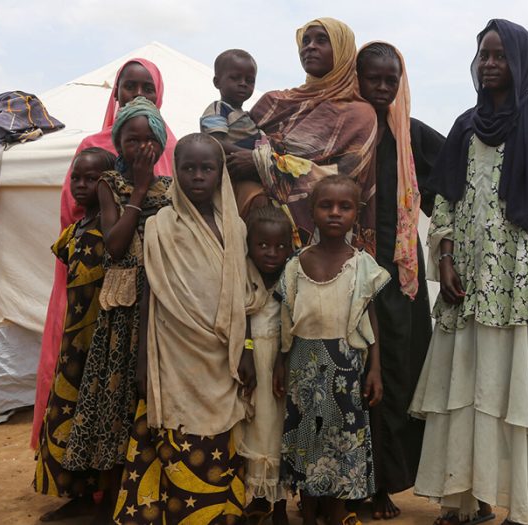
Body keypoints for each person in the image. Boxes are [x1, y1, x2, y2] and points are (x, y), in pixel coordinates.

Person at [408, 19, 528, 525]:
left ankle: (524, 509)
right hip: (467, 279)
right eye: (483, 55)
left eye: (499, 56)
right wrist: (443, 257)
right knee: (468, 386)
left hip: (521, 279)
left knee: (517, 390)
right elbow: (443, 200)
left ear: (520, 62)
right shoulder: (465, 125)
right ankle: (468, 499)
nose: (489, 64)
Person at [31, 58, 177, 450]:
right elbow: (72, 211)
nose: (139, 95)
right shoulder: (93, 147)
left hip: (153, 287)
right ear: (116, 92)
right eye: (131, 86)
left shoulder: (174, 146)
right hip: (95, 277)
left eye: (149, 88)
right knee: (86, 373)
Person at [113, 133, 256, 525]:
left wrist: (245, 348)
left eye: (207, 168)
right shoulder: (159, 226)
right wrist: (143, 360)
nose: (197, 176)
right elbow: (151, 299)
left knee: (220, 444)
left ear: (220, 173)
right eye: (188, 168)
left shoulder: (236, 229)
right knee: (176, 438)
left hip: (222, 357)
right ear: (175, 172)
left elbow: (244, 298)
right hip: (174, 357)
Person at [60, 97, 172, 524]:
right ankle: (106, 499)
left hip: (160, 309)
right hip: (122, 310)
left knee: (148, 402)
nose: (140, 146)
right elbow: (116, 244)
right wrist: (139, 188)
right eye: (131, 139)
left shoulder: (174, 189)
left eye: (148, 139)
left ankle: (146, 494)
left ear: (161, 144)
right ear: (119, 142)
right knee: (114, 398)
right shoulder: (111, 183)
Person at [355, 41, 445, 520]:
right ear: (357, 79)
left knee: (395, 373)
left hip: (401, 277)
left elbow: (449, 178)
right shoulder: (345, 131)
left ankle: (387, 482)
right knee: (357, 376)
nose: (383, 87)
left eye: (392, 79)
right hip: (349, 274)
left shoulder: (408, 134)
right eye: (374, 78)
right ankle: (361, 480)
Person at [273, 175, 390, 525]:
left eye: (345, 207)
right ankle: (309, 515)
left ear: (357, 213)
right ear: (311, 212)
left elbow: (371, 323)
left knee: (342, 445)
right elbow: (285, 318)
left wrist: (375, 370)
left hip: (346, 368)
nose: (335, 213)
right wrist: (280, 363)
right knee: (306, 442)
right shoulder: (295, 265)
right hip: (303, 365)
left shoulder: (363, 265)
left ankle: (338, 514)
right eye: (326, 206)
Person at [227, 18, 377, 255]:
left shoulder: (359, 115)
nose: (310, 47)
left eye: (321, 40)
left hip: (318, 243)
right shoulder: (274, 102)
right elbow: (234, 143)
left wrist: (262, 164)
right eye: (305, 41)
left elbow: (342, 178)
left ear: (342, 50)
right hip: (251, 236)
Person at [33, 147, 115, 522]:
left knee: (99, 417)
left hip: (103, 341)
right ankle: (79, 493)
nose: (81, 185)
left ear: (109, 181)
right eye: (76, 178)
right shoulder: (74, 232)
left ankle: (104, 498)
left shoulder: (113, 232)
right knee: (70, 414)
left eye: (91, 178)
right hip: (74, 343)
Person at [238, 206, 293, 525]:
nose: (272, 253)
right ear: (249, 245)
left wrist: (282, 362)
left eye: (280, 246)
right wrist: (246, 351)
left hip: (279, 366)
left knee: (279, 431)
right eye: (262, 245)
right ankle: (259, 499)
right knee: (255, 428)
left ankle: (282, 504)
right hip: (252, 363)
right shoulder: (243, 273)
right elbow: (240, 316)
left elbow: (293, 324)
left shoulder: (292, 275)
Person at [200, 49, 268, 218]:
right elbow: (214, 143)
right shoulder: (217, 109)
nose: (243, 83)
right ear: (217, 82)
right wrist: (254, 157)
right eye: (235, 78)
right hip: (235, 173)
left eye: (249, 80)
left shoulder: (245, 115)